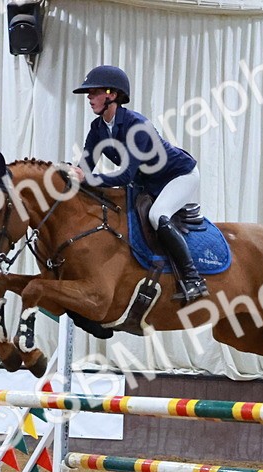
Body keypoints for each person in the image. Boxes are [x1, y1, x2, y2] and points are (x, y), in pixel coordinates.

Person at [70, 65, 208, 303]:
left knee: (157, 216)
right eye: (88, 94)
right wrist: (69, 173)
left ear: (111, 94)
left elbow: (125, 176)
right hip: (148, 183)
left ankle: (193, 279)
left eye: (93, 92)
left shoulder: (137, 126)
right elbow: (86, 166)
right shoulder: (98, 128)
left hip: (178, 175)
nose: (89, 98)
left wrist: (89, 179)